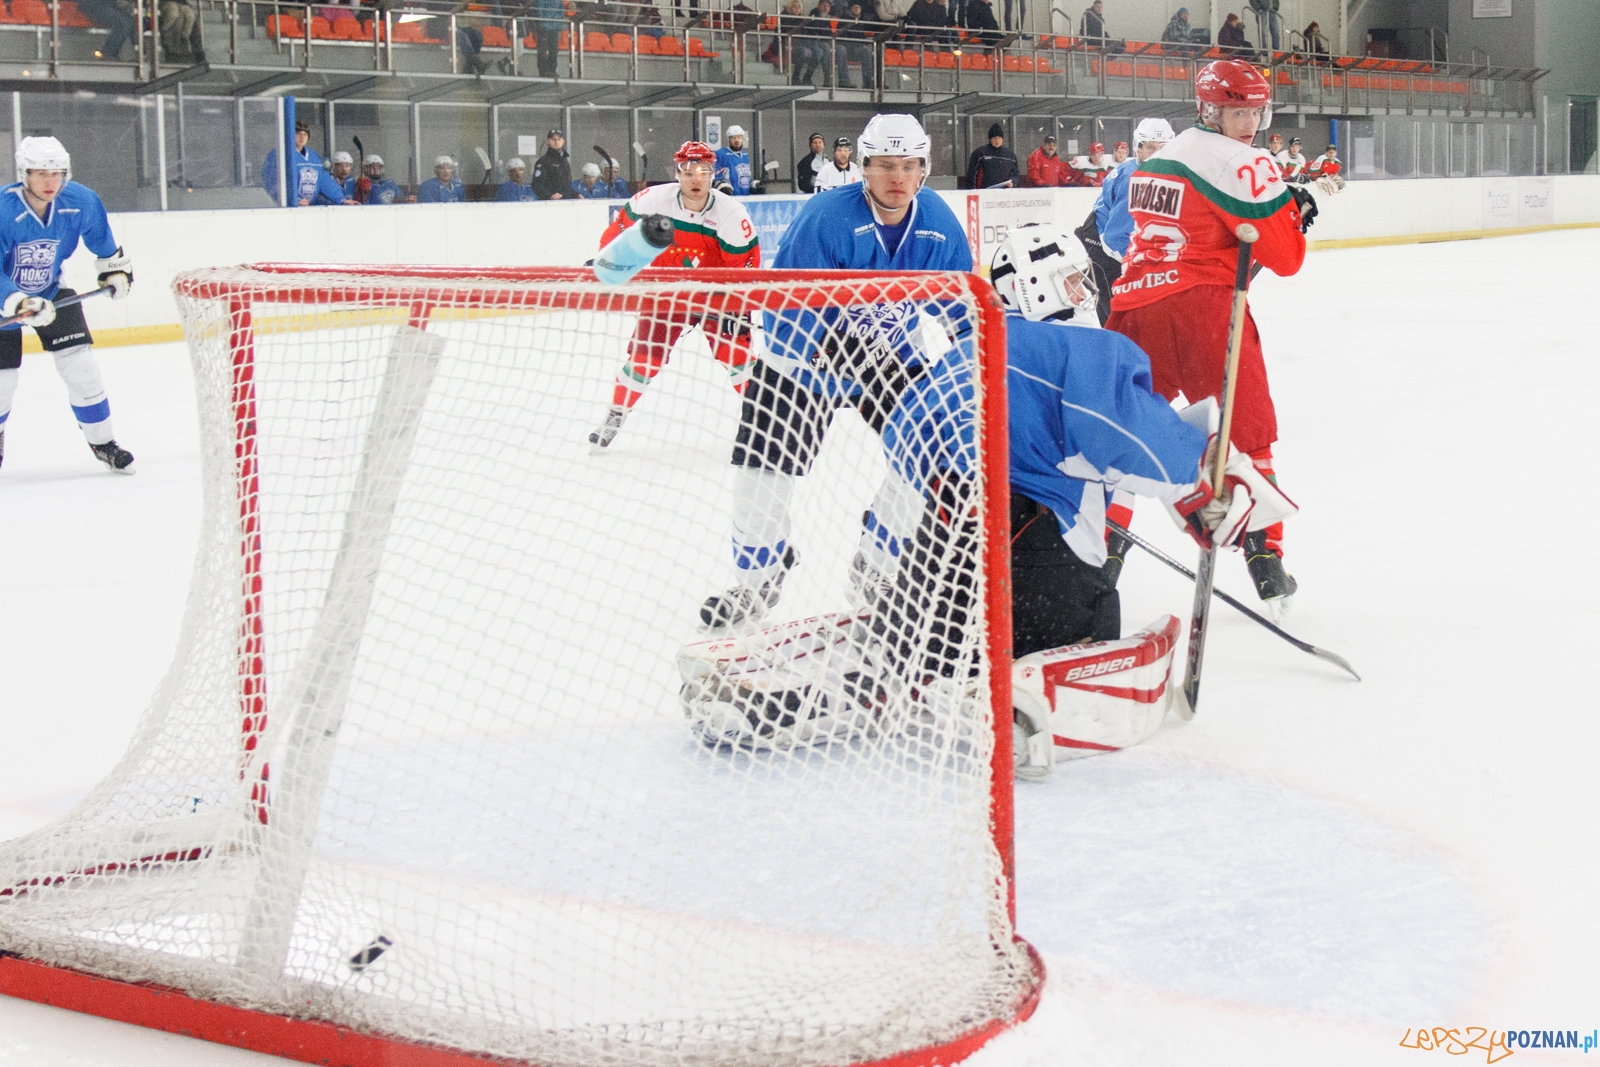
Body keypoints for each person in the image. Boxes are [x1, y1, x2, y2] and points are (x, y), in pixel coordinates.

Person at [699, 113, 972, 629]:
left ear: (924, 169)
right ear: (863, 169)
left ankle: (879, 561)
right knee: (759, 473)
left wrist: (974, 352)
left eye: (909, 166)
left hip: (891, 357)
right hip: (805, 363)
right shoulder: (827, 215)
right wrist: (823, 348)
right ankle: (758, 580)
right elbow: (785, 306)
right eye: (885, 165)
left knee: (936, 453)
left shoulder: (937, 220)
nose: (897, 177)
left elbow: (961, 305)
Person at [1105, 59, 1310, 612]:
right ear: (1209, 109)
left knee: (1119, 434)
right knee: (1247, 431)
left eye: (1255, 112)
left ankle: (1101, 557)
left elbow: (1181, 235)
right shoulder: (1247, 163)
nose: (1248, 124)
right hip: (1203, 313)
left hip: (1132, 309)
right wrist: (1291, 212)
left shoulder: (1156, 160)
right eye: (1236, 111)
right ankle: (1265, 556)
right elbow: (1285, 258)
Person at [587, 142, 760, 452]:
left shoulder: (732, 214)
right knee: (642, 361)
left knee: (739, 361)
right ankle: (615, 416)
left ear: (714, 173)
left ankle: (763, 426)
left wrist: (737, 304)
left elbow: (748, 267)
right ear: (677, 173)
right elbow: (616, 234)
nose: (696, 179)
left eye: (704, 172)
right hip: (668, 296)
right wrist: (605, 260)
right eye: (688, 171)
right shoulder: (652, 200)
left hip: (716, 298)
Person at [0, 137, 136, 473]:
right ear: (23, 174)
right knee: (3, 383)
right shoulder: (3, 209)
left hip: (50, 291)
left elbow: (103, 242)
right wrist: (18, 301)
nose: (51, 182)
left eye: (58, 173)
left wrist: (115, 271)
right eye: (41, 174)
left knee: (82, 370)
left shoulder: (80, 200)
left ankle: (103, 442)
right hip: (4, 300)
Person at [1076, 116, 1172, 331]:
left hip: (1097, 243)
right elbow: (1114, 238)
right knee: (1122, 327)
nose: (1156, 154)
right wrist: (1143, 269)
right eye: (1150, 147)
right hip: (1101, 253)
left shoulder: (1138, 169)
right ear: (1138, 147)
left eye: (1162, 147)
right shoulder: (1135, 179)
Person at [262, 120, 346, 206]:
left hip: (308, 207)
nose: (302, 137)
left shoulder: (314, 157)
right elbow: (271, 181)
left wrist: (341, 199)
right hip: (287, 208)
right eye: (298, 133)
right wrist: (294, 199)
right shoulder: (279, 154)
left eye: (305, 134)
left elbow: (324, 180)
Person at [795, 0, 837, 84]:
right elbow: (814, 31)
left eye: (828, 6)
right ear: (819, 6)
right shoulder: (814, 15)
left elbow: (828, 33)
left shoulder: (827, 18)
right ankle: (827, 78)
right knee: (824, 48)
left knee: (838, 48)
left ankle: (829, 78)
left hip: (823, 42)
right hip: (812, 42)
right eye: (824, 5)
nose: (826, 8)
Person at [837, 2, 877, 89]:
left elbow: (862, 37)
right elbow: (839, 35)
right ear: (851, 8)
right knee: (841, 49)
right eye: (855, 7)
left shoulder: (861, 21)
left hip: (856, 49)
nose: (857, 9)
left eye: (859, 7)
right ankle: (844, 81)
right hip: (845, 47)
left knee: (866, 52)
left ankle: (868, 83)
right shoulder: (843, 19)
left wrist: (865, 45)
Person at [967, 123, 1018, 188]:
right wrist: (973, 191)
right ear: (990, 139)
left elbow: (1015, 174)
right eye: (994, 138)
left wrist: (1013, 183)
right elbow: (972, 174)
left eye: (999, 138)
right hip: (985, 192)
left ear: (1002, 139)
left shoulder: (1010, 155)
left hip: (1005, 192)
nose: (997, 141)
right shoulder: (980, 153)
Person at [531, 129, 571, 200]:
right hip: (548, 204)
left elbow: (566, 187)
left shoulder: (565, 161)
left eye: (559, 139)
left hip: (564, 203)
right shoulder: (543, 162)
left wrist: (576, 194)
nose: (556, 142)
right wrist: (550, 196)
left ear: (563, 141)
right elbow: (537, 185)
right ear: (548, 141)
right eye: (553, 139)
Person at [714, 125, 753, 195]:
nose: (737, 140)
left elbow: (746, 177)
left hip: (746, 198)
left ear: (742, 139)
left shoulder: (745, 155)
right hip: (730, 199)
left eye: (739, 137)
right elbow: (715, 177)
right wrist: (720, 185)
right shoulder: (721, 154)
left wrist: (753, 184)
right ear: (728, 139)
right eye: (733, 137)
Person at [533, 0, 564, 76]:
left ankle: (552, 70)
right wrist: (551, 18)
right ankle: (543, 71)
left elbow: (562, 12)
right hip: (543, 28)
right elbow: (538, 12)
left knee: (553, 51)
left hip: (554, 28)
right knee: (542, 51)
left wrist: (553, 18)